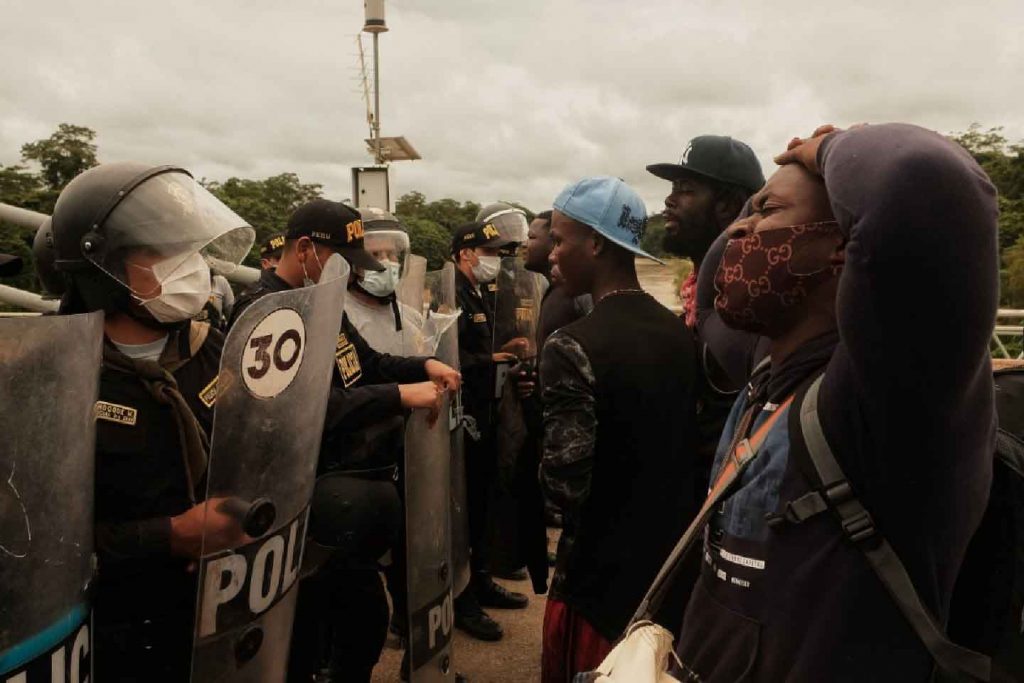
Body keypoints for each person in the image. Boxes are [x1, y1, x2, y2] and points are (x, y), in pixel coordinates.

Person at [672, 123, 998, 681]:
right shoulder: (768, 369)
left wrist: (827, 148)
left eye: (768, 211)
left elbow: (924, 180)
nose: (739, 230)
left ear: (846, 247)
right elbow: (708, 303)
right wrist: (761, 201)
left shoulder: (887, 393)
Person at [229, 198, 459, 683]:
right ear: (307, 249)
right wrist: (399, 395)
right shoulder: (267, 313)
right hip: (294, 504)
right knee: (309, 640)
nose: (351, 275)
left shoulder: (322, 303)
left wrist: (422, 366)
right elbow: (299, 410)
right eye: (344, 262)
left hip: (340, 502)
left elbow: (366, 364)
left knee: (362, 621)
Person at [43, 162, 255, 681]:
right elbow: (34, 539)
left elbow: (259, 445)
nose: (191, 266)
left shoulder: (217, 349)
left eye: (189, 249)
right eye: (161, 252)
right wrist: (169, 536)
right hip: (105, 629)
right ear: (103, 269)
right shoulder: (54, 376)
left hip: (218, 603)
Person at [539, 176, 699, 682]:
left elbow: (564, 488)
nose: (553, 255)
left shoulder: (572, 345)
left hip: (595, 588)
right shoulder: (679, 332)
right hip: (665, 579)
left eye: (561, 240)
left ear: (597, 243)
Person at [451, 220, 532, 642]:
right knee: (462, 508)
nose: (497, 261)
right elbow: (448, 356)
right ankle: (461, 597)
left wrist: (507, 351)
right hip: (461, 418)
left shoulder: (480, 291)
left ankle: (480, 579)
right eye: (490, 253)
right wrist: (492, 358)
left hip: (485, 412)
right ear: (466, 254)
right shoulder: (451, 294)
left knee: (482, 501)